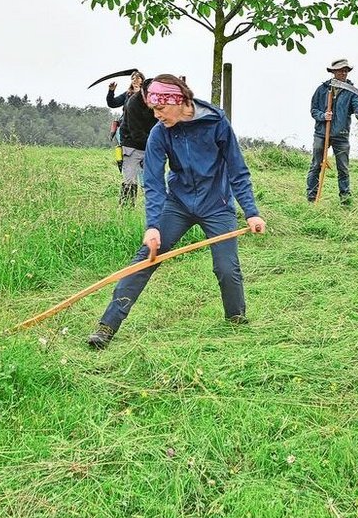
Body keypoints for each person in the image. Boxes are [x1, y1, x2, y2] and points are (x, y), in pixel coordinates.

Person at [87, 75, 266, 349]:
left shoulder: (216, 123)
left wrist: (251, 211)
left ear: (178, 101)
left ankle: (236, 320)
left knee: (226, 268)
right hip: (178, 204)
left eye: (160, 109)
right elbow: (155, 183)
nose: (156, 116)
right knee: (147, 256)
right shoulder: (159, 133)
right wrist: (153, 226)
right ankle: (107, 326)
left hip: (217, 206)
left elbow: (237, 171)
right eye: (153, 111)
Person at [306, 59, 358, 205]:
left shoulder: (352, 92)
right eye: (341, 70)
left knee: (343, 168)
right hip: (321, 133)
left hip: (341, 135)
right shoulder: (322, 89)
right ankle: (311, 198)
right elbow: (313, 110)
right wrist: (323, 116)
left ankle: (345, 200)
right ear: (333, 72)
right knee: (316, 165)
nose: (344, 72)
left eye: (346, 70)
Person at [106, 71, 157, 206]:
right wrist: (111, 92)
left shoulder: (155, 99)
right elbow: (112, 103)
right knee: (130, 178)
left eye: (137, 77)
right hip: (131, 137)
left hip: (147, 139)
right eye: (132, 78)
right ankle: (126, 209)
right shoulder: (130, 98)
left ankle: (153, 206)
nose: (134, 80)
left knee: (150, 178)